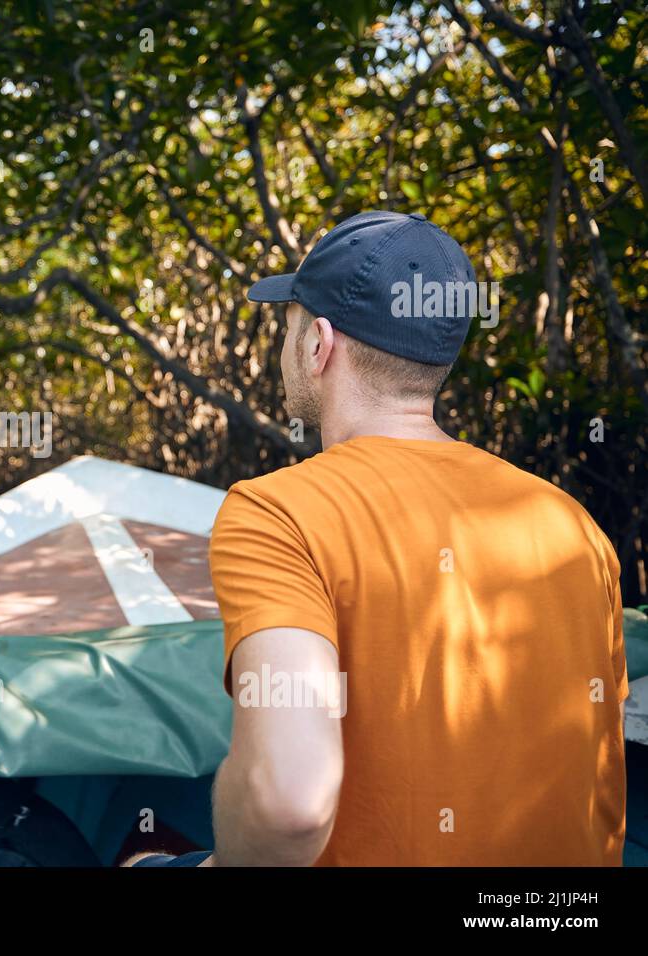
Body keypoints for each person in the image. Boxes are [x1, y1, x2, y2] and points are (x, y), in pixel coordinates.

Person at [128, 210, 627, 866]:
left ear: (319, 345)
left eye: (290, 327)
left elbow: (290, 805)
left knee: (139, 854)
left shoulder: (278, 512)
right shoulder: (575, 526)